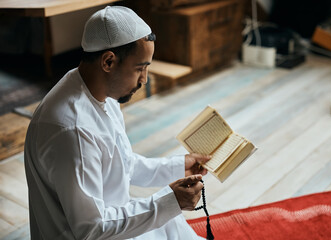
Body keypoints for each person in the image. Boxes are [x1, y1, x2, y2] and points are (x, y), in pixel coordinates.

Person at [24, 6, 211, 240]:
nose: (144, 79)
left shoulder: (100, 92)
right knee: (166, 213)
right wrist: (168, 202)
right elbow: (90, 229)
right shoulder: (73, 129)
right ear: (108, 61)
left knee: (170, 219)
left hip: (108, 223)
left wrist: (177, 166)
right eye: (139, 68)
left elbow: (123, 164)